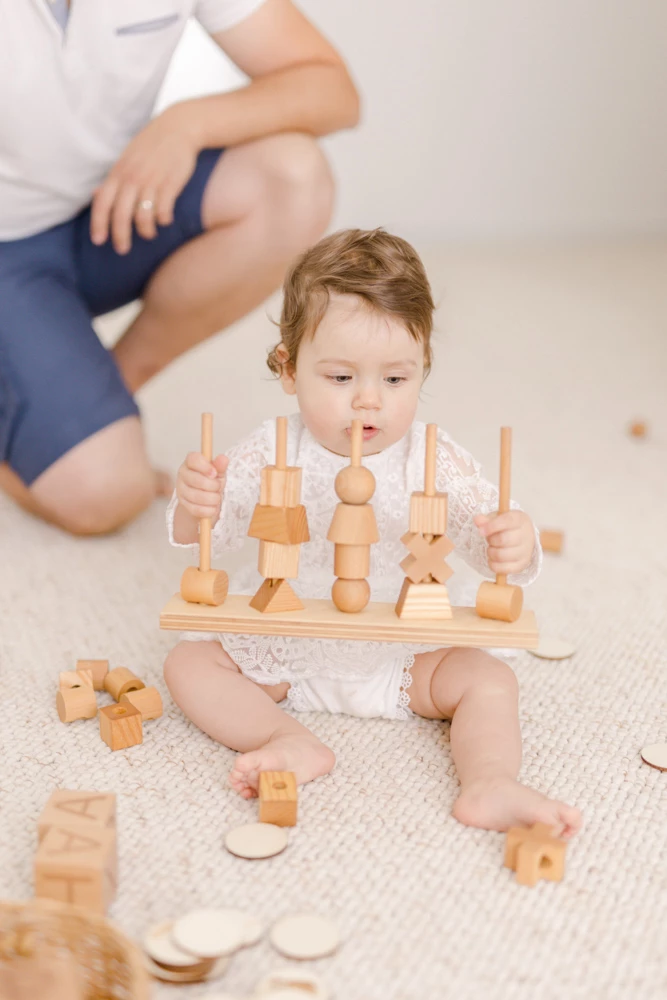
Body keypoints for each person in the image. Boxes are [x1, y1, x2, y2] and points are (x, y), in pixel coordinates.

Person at [163, 228, 582, 837]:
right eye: (339, 379)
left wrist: (512, 540)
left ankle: (490, 781)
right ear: (288, 368)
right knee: (188, 663)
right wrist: (194, 500)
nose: (368, 404)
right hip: (289, 646)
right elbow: (207, 532)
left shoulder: (432, 460)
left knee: (490, 680)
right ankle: (288, 737)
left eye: (395, 380)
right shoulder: (272, 450)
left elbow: (489, 538)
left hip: (405, 654)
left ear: (423, 368)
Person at [0, 0, 359, 535]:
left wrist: (187, 123)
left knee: (292, 178)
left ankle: (106, 388)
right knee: (104, 495)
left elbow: (331, 90)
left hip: (112, 208)